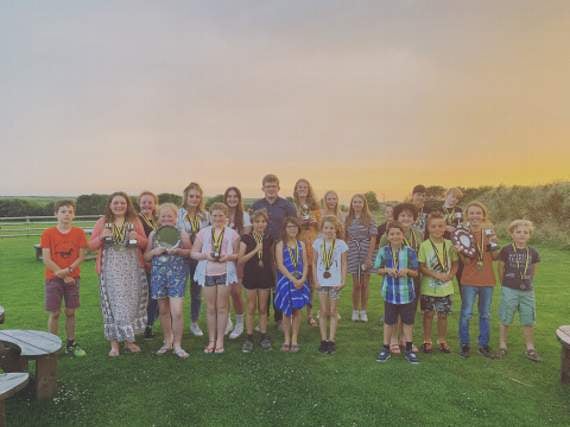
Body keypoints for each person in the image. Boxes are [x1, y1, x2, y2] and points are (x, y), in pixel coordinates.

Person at [89, 192, 148, 357]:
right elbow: (90, 245)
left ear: (127, 205)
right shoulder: (102, 222)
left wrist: (137, 237)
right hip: (110, 270)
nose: (119, 206)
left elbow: (145, 243)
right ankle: (114, 344)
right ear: (110, 205)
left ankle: (129, 341)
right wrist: (101, 237)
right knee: (113, 304)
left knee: (130, 303)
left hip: (132, 269)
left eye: (122, 203)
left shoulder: (134, 221)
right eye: (116, 203)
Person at [190, 202, 239, 354]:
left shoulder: (232, 234)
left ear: (226, 216)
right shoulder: (203, 233)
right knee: (211, 308)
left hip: (225, 274)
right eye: (215, 215)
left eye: (221, 215)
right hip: (207, 274)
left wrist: (228, 257)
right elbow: (193, 253)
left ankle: (220, 340)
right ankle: (211, 340)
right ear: (210, 216)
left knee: (222, 307)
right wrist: (205, 255)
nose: (218, 218)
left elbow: (237, 255)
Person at [40, 200, 87, 357]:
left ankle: (71, 343)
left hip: (73, 278)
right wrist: (63, 274)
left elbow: (81, 256)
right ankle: (52, 345)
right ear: (56, 214)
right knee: (55, 313)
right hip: (53, 278)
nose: (67, 214)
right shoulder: (48, 233)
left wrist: (69, 271)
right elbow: (46, 259)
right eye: (63, 211)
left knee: (70, 312)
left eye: (70, 212)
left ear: (74, 215)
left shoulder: (79, 233)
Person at [144, 203, 192, 359]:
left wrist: (178, 251)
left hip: (177, 276)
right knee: (164, 311)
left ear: (176, 217)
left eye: (170, 216)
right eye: (163, 216)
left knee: (177, 311)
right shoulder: (154, 234)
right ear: (158, 218)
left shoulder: (181, 233)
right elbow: (146, 257)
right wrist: (154, 251)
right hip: (159, 276)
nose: (166, 219)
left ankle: (178, 345)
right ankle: (167, 341)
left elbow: (190, 252)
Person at [456, 201, 500, 359]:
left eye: (478, 213)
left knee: (485, 314)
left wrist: (494, 242)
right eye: (472, 213)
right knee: (466, 313)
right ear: (467, 215)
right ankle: (464, 344)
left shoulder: (489, 233)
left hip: (487, 280)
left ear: (483, 215)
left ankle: (483, 345)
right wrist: (460, 252)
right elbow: (466, 262)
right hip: (469, 279)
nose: (475, 216)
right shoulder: (463, 234)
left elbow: (495, 257)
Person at [252, 174, 297, 325]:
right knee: (264, 282)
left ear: (278, 188)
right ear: (262, 188)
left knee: (280, 282)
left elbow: (294, 226)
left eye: (273, 186)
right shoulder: (257, 205)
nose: (271, 189)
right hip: (262, 248)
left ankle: (279, 318)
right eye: (268, 186)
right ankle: (263, 318)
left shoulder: (287, 205)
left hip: (281, 248)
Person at [379, 202, 423, 353]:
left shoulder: (418, 234)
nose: (406, 218)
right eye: (402, 215)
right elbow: (381, 259)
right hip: (394, 279)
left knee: (410, 309)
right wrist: (387, 271)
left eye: (409, 216)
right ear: (397, 217)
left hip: (413, 276)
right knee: (395, 309)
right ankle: (393, 338)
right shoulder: (387, 236)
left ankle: (405, 338)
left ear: (414, 218)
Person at [374, 222, 420, 364]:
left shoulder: (410, 251)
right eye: (392, 234)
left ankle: (409, 349)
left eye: (398, 233)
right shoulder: (383, 251)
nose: (395, 236)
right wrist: (387, 270)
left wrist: (407, 271)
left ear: (402, 235)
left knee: (408, 322)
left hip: (406, 294)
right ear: (387, 236)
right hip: (390, 294)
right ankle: (385, 348)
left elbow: (416, 272)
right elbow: (378, 269)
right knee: (389, 322)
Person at [497, 220, 541, 362]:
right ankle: (502, 345)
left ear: (529, 235)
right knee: (506, 317)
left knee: (528, 319)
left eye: (525, 232)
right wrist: (504, 284)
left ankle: (530, 347)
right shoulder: (506, 250)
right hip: (509, 289)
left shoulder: (533, 252)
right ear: (512, 234)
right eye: (518, 232)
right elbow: (501, 267)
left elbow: (533, 270)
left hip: (527, 290)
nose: (522, 235)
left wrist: (527, 281)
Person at [418, 212, 459, 354]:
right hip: (428, 288)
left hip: (445, 288)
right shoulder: (424, 245)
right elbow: (421, 266)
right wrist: (435, 274)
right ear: (428, 228)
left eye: (440, 226)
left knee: (443, 315)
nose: (437, 229)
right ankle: (427, 340)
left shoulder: (450, 244)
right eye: (433, 226)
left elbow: (455, 263)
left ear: (445, 227)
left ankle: (442, 340)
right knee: (428, 314)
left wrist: (451, 275)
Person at [177, 182, 211, 337]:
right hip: (182, 257)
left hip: (199, 258)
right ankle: (175, 322)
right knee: (178, 292)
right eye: (191, 196)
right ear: (186, 197)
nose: (194, 199)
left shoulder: (205, 215)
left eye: (197, 196)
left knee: (196, 292)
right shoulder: (178, 214)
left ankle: (194, 322)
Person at [238, 209, 275, 352]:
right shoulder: (246, 238)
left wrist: (275, 277)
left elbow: (272, 259)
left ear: (267, 223)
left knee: (263, 308)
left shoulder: (269, 238)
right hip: (250, 276)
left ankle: (264, 336)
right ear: (252, 223)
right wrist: (255, 250)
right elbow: (240, 260)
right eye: (257, 221)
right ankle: (249, 337)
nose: (260, 224)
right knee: (251, 307)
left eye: (263, 221)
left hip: (265, 276)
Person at [313, 215, 348, 355]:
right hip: (321, 282)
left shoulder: (341, 244)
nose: (329, 230)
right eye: (326, 228)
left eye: (331, 228)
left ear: (336, 229)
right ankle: (323, 340)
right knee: (323, 310)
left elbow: (344, 263)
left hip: (335, 283)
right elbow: (314, 263)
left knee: (333, 311)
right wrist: (315, 280)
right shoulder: (317, 243)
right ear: (322, 229)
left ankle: (331, 340)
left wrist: (343, 280)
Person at [275, 217, 311, 353]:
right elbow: (280, 265)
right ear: (285, 229)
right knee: (286, 311)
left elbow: (305, 263)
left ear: (298, 229)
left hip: (300, 281)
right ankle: (286, 339)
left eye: (295, 226)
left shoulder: (301, 244)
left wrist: (303, 278)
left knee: (296, 310)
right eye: (289, 226)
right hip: (286, 281)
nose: (292, 229)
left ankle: (294, 338)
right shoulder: (280, 245)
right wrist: (292, 279)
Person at [345, 194, 377, 322]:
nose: (357, 204)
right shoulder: (348, 218)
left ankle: (363, 311)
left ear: (364, 204)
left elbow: (373, 238)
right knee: (356, 285)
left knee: (364, 284)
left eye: (359, 202)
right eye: (355, 202)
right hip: (353, 251)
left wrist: (369, 257)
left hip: (366, 250)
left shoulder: (370, 219)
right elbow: (345, 236)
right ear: (351, 204)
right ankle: (355, 310)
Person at [293, 178, 321, 327]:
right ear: (296, 189)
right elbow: (288, 226)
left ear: (309, 189)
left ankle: (310, 315)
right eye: (300, 187)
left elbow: (322, 227)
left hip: (312, 246)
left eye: (305, 187)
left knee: (311, 283)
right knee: (296, 280)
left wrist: (315, 223)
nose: (302, 189)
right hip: (297, 246)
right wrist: (298, 223)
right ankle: (295, 313)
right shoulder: (292, 206)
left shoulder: (315, 207)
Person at [224, 186, 251, 339]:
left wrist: (236, 256)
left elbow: (245, 239)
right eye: (229, 196)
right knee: (223, 292)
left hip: (237, 258)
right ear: (225, 198)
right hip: (222, 259)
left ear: (239, 199)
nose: (232, 199)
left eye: (235, 196)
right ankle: (227, 321)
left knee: (235, 292)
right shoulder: (221, 214)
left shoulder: (245, 216)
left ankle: (240, 322)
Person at [138, 191, 159, 339]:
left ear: (155, 204)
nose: (147, 205)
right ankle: (145, 325)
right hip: (143, 263)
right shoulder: (136, 220)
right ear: (139, 204)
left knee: (156, 296)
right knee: (147, 296)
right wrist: (145, 261)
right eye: (144, 202)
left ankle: (149, 324)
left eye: (150, 202)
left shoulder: (158, 219)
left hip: (158, 263)